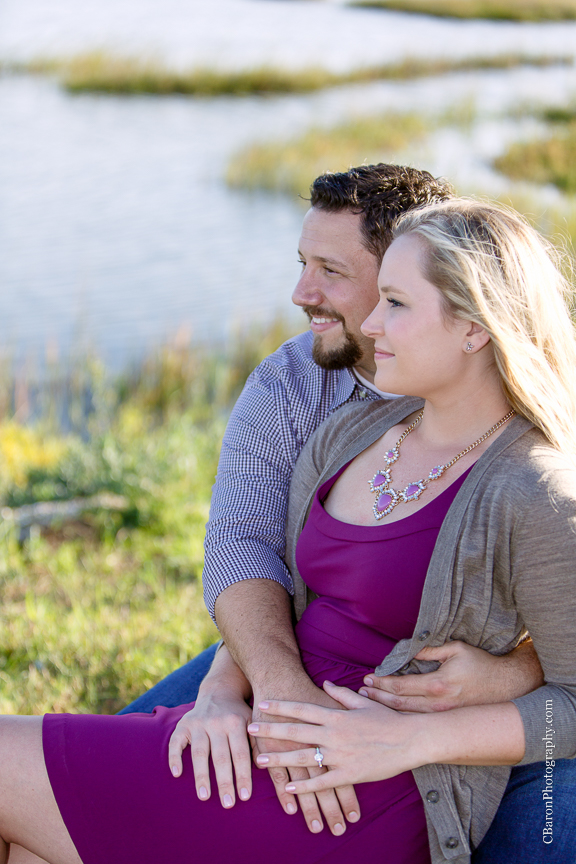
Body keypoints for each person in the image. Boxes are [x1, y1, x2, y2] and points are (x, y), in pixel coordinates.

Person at [1, 197, 575, 864]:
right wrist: (224, 688)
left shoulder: (534, 488)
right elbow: (287, 592)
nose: (368, 322)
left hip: (351, 792)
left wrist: (412, 743)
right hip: (261, 733)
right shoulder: (349, 435)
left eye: (395, 303)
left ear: (474, 327)